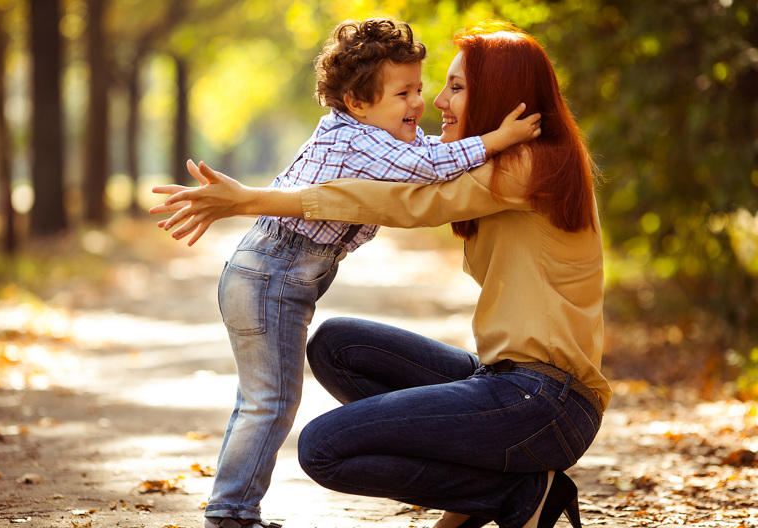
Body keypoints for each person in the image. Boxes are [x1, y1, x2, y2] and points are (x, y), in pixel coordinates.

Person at [151, 18, 541, 528]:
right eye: (403, 93)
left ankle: (233, 508)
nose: (419, 104)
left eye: (418, 89)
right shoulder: (356, 139)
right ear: (358, 103)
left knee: (269, 399)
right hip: (270, 274)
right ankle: (230, 512)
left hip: (281, 277)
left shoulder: (373, 134)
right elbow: (429, 167)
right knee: (268, 401)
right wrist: (497, 139)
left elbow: (423, 157)